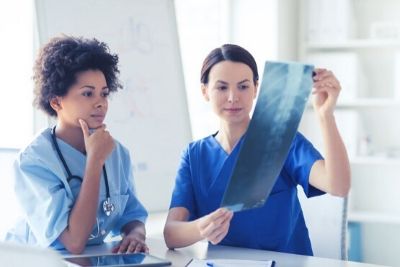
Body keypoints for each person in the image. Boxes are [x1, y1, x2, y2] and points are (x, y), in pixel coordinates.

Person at [163, 44, 351, 256]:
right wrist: (201, 228)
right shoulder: (194, 155)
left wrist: (325, 116)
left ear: (255, 89)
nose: (233, 97)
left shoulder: (282, 140)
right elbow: (171, 234)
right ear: (205, 91)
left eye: (243, 86)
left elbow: (338, 186)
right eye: (222, 87)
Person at [5, 36, 148, 254]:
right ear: (56, 101)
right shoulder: (33, 161)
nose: (100, 102)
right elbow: (73, 242)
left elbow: (132, 216)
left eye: (104, 93)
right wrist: (94, 162)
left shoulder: (116, 152)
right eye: (87, 93)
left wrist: (135, 235)